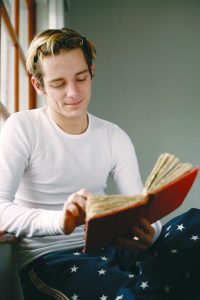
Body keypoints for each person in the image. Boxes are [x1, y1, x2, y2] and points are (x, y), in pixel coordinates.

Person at [0, 28, 199, 300]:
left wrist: (150, 233)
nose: (73, 92)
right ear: (38, 85)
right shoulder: (22, 128)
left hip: (115, 250)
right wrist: (61, 221)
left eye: (81, 78)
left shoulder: (113, 135)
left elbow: (140, 204)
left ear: (91, 71)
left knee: (195, 225)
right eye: (58, 83)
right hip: (54, 260)